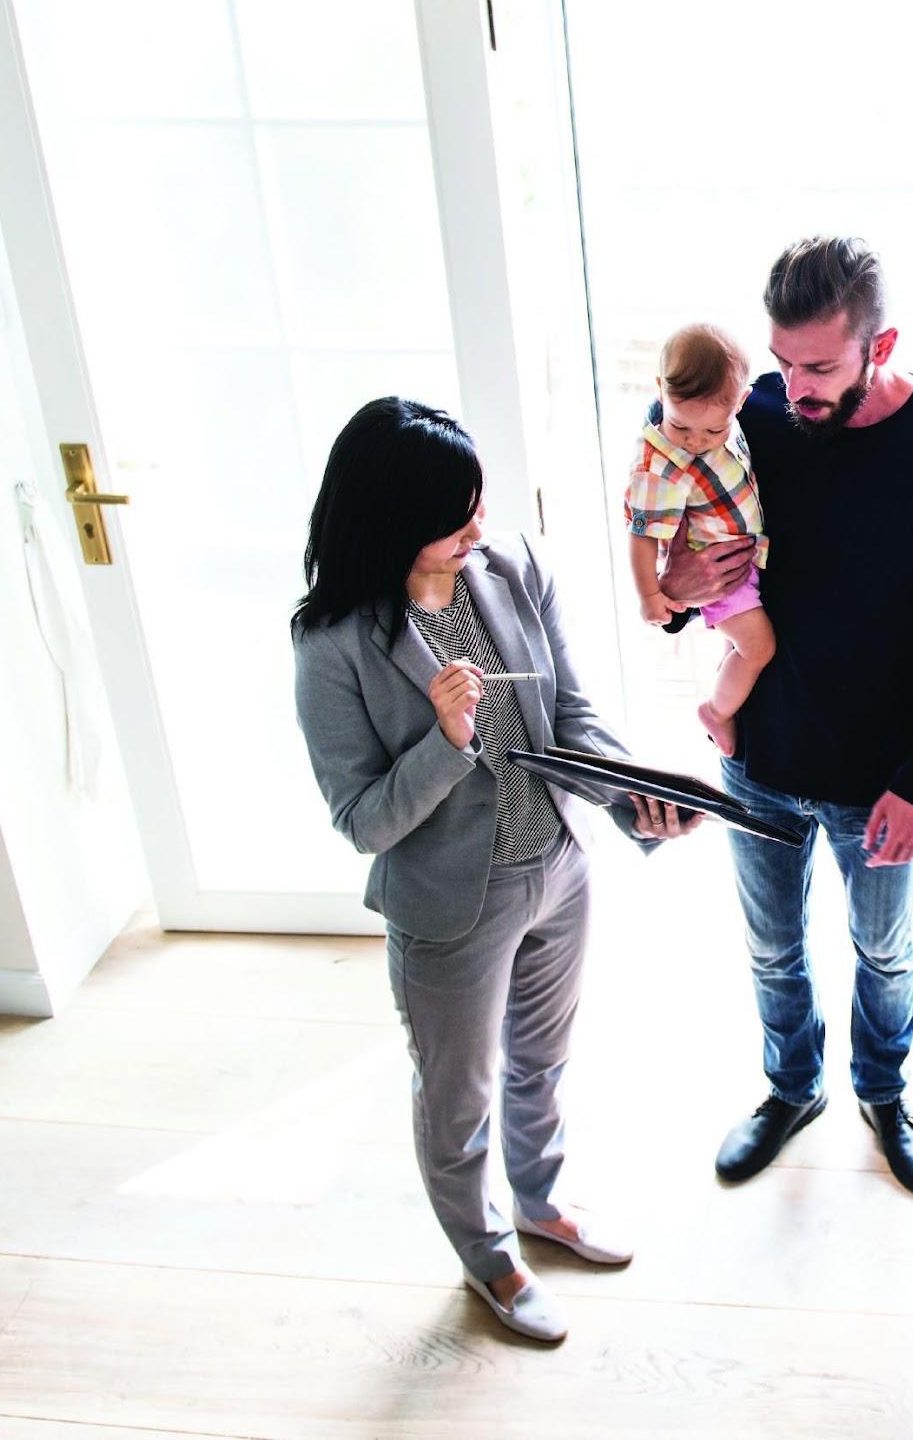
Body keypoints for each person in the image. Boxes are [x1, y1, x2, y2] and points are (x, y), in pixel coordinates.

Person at [291, 397, 703, 1345]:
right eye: (455, 516)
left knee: (542, 1062)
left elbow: (570, 717)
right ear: (392, 521)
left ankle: (541, 1202)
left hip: (557, 866)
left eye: (478, 503)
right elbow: (362, 821)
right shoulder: (334, 644)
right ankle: (486, 1255)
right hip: (450, 910)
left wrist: (635, 796)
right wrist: (447, 740)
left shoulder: (511, 568)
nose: (479, 528)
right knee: (458, 1098)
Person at [656, 237, 913, 1196]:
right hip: (759, 758)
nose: (792, 388)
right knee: (771, 947)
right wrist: (678, 587)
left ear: (879, 345)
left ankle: (884, 1094)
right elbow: (682, 558)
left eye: (817, 367)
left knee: (884, 952)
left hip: (883, 774)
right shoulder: (749, 418)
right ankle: (791, 1087)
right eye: (781, 361)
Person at [623, 323, 775, 757]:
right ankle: (716, 712)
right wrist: (651, 594)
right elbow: (641, 535)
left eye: (712, 432)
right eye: (680, 426)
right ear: (659, 390)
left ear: (741, 402)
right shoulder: (660, 465)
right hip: (718, 573)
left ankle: (726, 698)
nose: (694, 442)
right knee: (758, 647)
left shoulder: (729, 416)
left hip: (743, 561)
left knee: (737, 646)